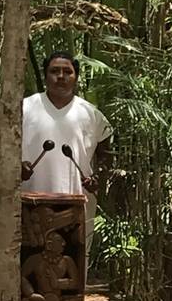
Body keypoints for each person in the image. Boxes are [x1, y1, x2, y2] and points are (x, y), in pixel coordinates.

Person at [22, 51, 112, 259]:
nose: (60, 76)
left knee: (74, 261)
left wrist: (98, 177)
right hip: (31, 203)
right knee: (31, 264)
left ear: (76, 76)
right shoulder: (25, 108)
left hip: (77, 203)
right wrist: (18, 168)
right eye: (54, 71)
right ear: (45, 75)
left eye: (67, 72)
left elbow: (106, 152)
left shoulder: (91, 113)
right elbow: (4, 148)